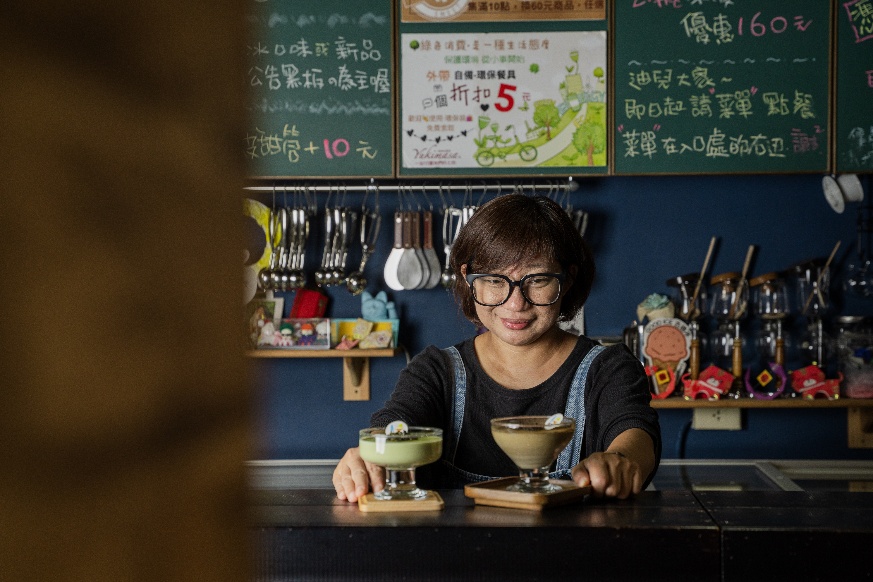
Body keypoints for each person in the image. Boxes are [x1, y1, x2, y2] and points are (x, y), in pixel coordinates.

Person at [333, 194, 660, 501]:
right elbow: (394, 424)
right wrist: (366, 457)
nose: (515, 303)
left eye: (538, 279)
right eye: (493, 280)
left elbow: (635, 435)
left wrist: (620, 461)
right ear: (467, 278)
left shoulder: (609, 368)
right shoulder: (436, 370)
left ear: (568, 279)